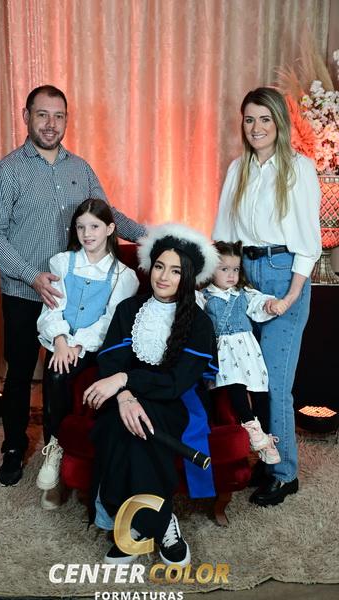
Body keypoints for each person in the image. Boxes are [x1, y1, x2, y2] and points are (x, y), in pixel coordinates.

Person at [0, 85, 145, 487]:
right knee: (20, 372)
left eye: (58, 116)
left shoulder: (81, 169)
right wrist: (31, 275)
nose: (51, 124)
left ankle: (63, 445)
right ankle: (14, 447)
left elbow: (107, 215)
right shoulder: (5, 171)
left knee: (67, 369)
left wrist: (154, 237)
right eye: (42, 115)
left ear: (67, 120)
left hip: (77, 294)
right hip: (24, 291)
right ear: (26, 117)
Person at [82, 223, 219, 566]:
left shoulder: (199, 323)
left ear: (187, 277)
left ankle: (140, 527)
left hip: (174, 400)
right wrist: (124, 396)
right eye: (159, 266)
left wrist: (124, 380)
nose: (163, 277)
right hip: (126, 394)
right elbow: (111, 360)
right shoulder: (129, 309)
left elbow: (176, 383)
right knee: (119, 425)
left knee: (143, 428)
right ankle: (159, 520)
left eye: (175, 271)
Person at [213, 87, 321, 506]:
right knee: (248, 376)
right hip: (243, 274)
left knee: (276, 381)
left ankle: (284, 473)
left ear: (279, 123)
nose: (256, 127)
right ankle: (263, 455)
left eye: (264, 119)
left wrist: (292, 296)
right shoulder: (237, 168)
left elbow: (309, 243)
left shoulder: (299, 169)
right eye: (249, 119)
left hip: (283, 273)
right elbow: (224, 234)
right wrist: (221, 283)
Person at [36, 198, 139, 509]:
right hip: (61, 342)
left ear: (109, 229)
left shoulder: (123, 275)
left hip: (94, 345)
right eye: (81, 227)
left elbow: (109, 322)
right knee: (57, 372)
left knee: (65, 370)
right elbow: (53, 307)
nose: (87, 233)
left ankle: (62, 449)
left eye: (94, 226)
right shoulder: (62, 263)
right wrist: (61, 340)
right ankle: (54, 450)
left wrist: (78, 345)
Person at [202, 240, 289, 465]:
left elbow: (258, 301)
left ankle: (265, 438)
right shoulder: (203, 296)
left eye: (235, 269)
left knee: (260, 390)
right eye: (224, 269)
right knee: (235, 383)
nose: (231, 275)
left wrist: (270, 303)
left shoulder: (243, 293)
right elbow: (190, 313)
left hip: (247, 350)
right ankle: (251, 427)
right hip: (223, 352)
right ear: (210, 269)